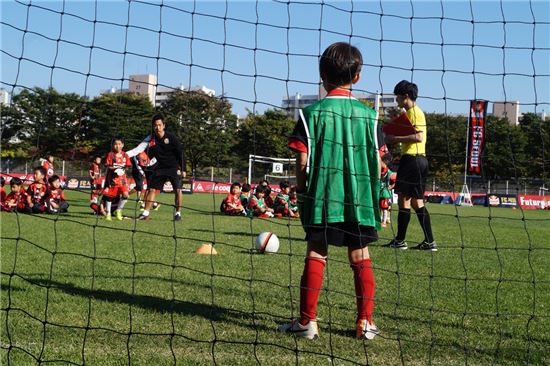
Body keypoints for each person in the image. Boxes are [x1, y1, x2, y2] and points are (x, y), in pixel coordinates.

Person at [279, 42, 381, 340]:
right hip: (360, 200)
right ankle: (364, 323)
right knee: (360, 255)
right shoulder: (370, 115)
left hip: (323, 198)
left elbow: (301, 157)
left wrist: (301, 190)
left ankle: (307, 323)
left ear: (321, 76)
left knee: (316, 252)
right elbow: (377, 159)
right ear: (358, 76)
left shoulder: (310, 114)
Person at [383, 80, 437, 251]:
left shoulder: (414, 112)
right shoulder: (413, 113)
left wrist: (394, 139)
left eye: (397, 97)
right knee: (416, 202)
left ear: (405, 96)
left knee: (404, 202)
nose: (396, 100)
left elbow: (419, 137)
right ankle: (429, 242)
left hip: (412, 160)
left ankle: (400, 241)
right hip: (421, 160)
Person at [129, 113, 186, 221]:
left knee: (178, 190)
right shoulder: (150, 139)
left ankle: (178, 213)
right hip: (160, 168)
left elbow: (180, 153)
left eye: (159, 125)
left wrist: (183, 169)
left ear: (164, 125)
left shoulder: (171, 137)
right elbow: (137, 150)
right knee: (151, 189)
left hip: (174, 167)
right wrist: (123, 155)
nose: (157, 127)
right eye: (155, 125)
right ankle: (145, 214)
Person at [102, 136, 131, 221]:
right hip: (112, 179)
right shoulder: (110, 155)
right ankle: (108, 214)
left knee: (126, 195)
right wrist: (115, 169)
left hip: (122, 179)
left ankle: (118, 211)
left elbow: (128, 166)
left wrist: (123, 169)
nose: (117, 146)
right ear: (113, 145)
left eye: (119, 144)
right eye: (115, 144)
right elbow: (107, 166)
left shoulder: (125, 155)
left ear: (123, 145)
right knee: (110, 197)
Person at [379, 160, 394, 227]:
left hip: (386, 194)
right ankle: (380, 220)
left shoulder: (389, 173)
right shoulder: (379, 170)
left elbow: (395, 180)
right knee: (379, 208)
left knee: (385, 208)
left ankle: (384, 222)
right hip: (379, 193)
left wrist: (391, 186)